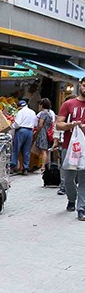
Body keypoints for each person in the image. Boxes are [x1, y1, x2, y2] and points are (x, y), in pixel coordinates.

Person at [56, 77, 85, 220]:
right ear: (80, 86)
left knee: (84, 178)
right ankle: (72, 199)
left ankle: (81, 209)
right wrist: (70, 125)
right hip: (70, 147)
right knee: (68, 178)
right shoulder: (69, 104)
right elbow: (58, 124)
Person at [10, 100, 38, 175]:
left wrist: (11, 127)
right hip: (30, 132)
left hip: (21, 131)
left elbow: (17, 123)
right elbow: (35, 124)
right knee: (26, 151)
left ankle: (12, 167)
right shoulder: (33, 112)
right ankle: (25, 168)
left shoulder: (20, 112)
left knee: (16, 149)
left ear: (19, 107)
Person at [34, 98, 53, 173]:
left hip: (43, 133)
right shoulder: (50, 113)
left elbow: (40, 124)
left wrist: (36, 132)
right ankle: (47, 166)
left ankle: (43, 167)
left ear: (42, 105)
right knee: (46, 150)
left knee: (43, 151)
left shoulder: (43, 113)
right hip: (48, 132)